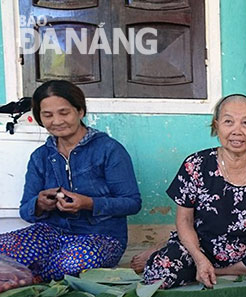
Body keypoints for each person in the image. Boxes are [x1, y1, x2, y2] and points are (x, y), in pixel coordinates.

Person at [137, 94, 246, 289]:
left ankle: (219, 270)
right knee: (157, 272)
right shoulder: (196, 165)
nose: (237, 131)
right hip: (197, 248)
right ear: (216, 126)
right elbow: (184, 220)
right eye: (228, 122)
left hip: (245, 250)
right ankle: (201, 265)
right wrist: (199, 258)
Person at [0, 80, 142, 283]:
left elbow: (132, 202)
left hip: (100, 237)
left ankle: (25, 274)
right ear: (40, 118)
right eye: (47, 115)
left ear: (80, 112)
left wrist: (88, 203)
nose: (56, 121)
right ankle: (31, 272)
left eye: (64, 113)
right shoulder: (40, 157)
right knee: (3, 247)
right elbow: (25, 210)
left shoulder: (109, 149)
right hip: (51, 233)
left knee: (73, 262)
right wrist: (39, 204)